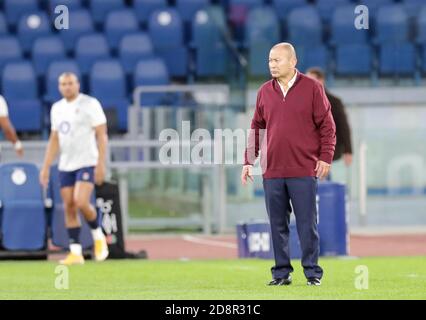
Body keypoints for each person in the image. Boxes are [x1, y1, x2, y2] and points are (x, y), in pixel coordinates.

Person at [241, 43, 336, 286]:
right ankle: (281, 274)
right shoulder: (264, 91)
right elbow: (256, 127)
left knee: (307, 224)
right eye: (270, 60)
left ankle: (312, 273)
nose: (272, 65)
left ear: (293, 62)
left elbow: (327, 126)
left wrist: (325, 157)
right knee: (277, 225)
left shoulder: (313, 88)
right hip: (272, 170)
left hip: (303, 169)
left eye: (277, 60)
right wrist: (248, 161)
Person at [39, 73, 109, 265]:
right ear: (59, 87)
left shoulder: (90, 104)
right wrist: (45, 167)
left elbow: (102, 135)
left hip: (87, 161)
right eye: (63, 84)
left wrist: (101, 163)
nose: (67, 87)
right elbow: (54, 139)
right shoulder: (57, 108)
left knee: (81, 201)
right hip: (66, 164)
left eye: (70, 83)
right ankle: (76, 252)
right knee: (69, 205)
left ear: (77, 84)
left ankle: (98, 235)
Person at [306, 67, 353, 167]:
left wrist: (348, 150)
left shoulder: (335, 102)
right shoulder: (303, 102)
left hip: (331, 150)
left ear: (321, 81)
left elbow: (343, 126)